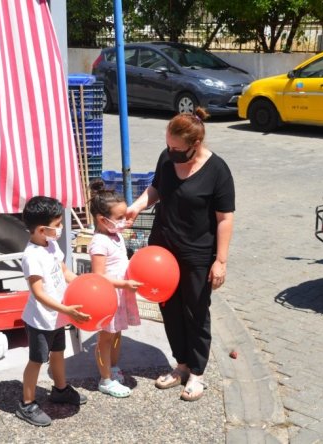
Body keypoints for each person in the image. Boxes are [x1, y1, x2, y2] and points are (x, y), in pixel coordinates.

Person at [126, 107, 235, 402]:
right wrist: (137, 206)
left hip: (197, 252)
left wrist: (221, 261)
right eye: (168, 146)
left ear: (195, 145)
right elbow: (156, 189)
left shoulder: (218, 170)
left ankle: (197, 373)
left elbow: (225, 218)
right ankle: (181, 364)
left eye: (176, 148)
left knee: (196, 312)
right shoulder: (167, 158)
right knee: (169, 308)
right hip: (163, 249)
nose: (170, 152)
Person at [17, 196, 91, 426]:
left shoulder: (51, 245)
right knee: (37, 360)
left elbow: (65, 271)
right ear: (42, 230)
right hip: (41, 320)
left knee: (59, 353)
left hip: (57, 316)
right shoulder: (32, 256)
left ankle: (60, 389)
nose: (61, 228)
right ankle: (27, 403)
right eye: (58, 224)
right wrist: (66, 309)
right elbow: (38, 293)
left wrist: (84, 284)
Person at [87, 180, 142, 398]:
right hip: (109, 296)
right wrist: (125, 283)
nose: (124, 221)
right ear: (103, 219)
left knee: (117, 333)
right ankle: (105, 379)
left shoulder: (115, 235)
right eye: (119, 218)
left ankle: (113, 367)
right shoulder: (99, 242)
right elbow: (99, 276)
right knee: (105, 338)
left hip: (120, 294)